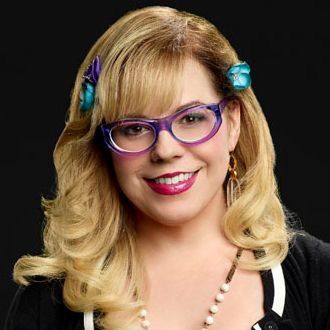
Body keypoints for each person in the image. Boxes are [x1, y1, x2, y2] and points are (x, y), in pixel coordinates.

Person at [4, 5, 330, 330]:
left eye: (191, 118)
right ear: (104, 144)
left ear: (233, 122)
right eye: (133, 128)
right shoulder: (47, 302)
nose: (165, 150)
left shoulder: (320, 278)